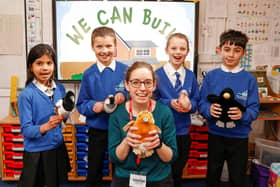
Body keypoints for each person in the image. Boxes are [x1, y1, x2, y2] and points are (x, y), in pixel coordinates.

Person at [198, 29, 259, 187]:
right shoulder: (211, 76)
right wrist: (208, 110)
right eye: (227, 49)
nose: (231, 55)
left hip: (239, 137)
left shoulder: (249, 79)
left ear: (243, 53)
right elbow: (202, 103)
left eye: (236, 51)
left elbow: (254, 108)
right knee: (212, 173)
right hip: (215, 134)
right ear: (219, 50)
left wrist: (243, 115)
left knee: (238, 175)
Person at [108, 61, 178, 187]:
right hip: (125, 178)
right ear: (127, 85)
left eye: (147, 82)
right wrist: (127, 141)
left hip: (158, 178)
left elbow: (171, 157)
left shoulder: (164, 112)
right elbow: (115, 158)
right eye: (135, 82)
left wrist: (159, 144)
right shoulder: (117, 115)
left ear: (154, 85)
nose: (142, 88)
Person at [76, 26, 128, 187]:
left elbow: (134, 95)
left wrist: (124, 96)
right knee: (94, 168)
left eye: (108, 46)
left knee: (121, 167)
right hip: (97, 129)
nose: (104, 50)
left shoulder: (125, 71)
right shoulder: (88, 74)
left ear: (115, 47)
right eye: (99, 46)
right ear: (93, 47)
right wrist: (94, 106)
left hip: (121, 129)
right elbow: (81, 105)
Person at [17, 43, 71, 187]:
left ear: (54, 65)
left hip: (57, 148)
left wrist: (63, 116)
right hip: (37, 153)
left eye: (49, 63)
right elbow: (26, 129)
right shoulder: (27, 95)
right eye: (39, 63)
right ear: (31, 67)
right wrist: (46, 126)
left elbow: (66, 116)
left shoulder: (59, 88)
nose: (45, 68)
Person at [154, 33, 200, 187]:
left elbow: (196, 101)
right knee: (161, 173)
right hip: (161, 132)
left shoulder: (191, 77)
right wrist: (169, 102)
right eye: (174, 48)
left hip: (182, 133)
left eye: (182, 48)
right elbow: (151, 101)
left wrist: (189, 106)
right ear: (167, 50)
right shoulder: (156, 76)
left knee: (177, 172)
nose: (178, 52)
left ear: (187, 52)